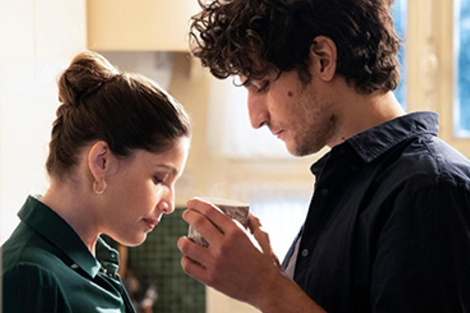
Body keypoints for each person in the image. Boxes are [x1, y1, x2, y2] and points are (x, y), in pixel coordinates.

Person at [177, 0, 470, 312]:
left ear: (322, 59)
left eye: (261, 85)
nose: (255, 118)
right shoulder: (350, 180)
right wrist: (274, 278)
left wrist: (267, 289)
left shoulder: (429, 190)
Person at [1, 51, 191, 312]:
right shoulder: (29, 276)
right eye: (159, 178)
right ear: (102, 161)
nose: (169, 204)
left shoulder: (98, 263)